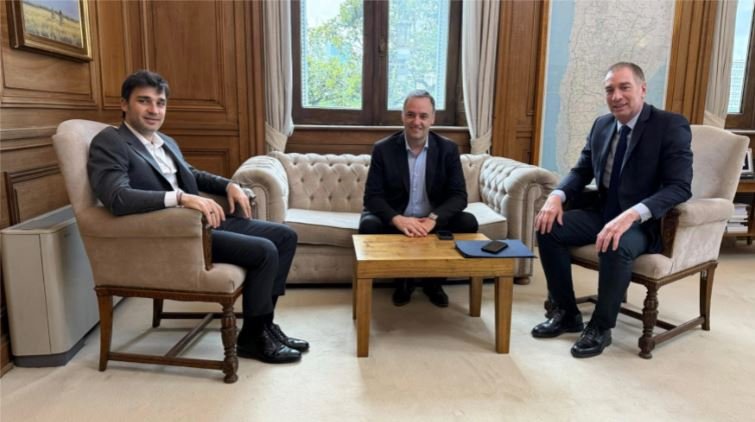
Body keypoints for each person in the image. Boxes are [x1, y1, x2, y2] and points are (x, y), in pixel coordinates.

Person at [88, 70, 308, 364]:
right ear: (124, 104)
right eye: (144, 101)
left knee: (285, 236)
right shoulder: (110, 142)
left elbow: (192, 174)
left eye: (160, 103)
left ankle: (263, 325)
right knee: (265, 251)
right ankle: (253, 339)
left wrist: (230, 185)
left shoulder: (164, 141)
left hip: (201, 225)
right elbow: (116, 197)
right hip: (173, 236)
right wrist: (180, 198)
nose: (154, 110)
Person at [532, 62, 693, 358]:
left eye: (624, 87)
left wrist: (633, 214)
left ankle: (601, 327)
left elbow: (680, 187)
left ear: (642, 89)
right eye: (609, 90)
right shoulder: (602, 125)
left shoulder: (669, 125)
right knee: (547, 227)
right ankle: (566, 314)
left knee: (614, 243)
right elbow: (581, 170)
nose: (616, 96)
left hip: (642, 223)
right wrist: (556, 196)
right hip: (603, 211)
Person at [359, 90, 479, 307]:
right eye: (411, 115)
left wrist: (433, 219)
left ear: (433, 118)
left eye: (423, 116)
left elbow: (459, 196)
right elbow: (372, 197)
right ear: (402, 116)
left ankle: (434, 282)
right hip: (398, 218)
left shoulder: (448, 149)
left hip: (431, 219)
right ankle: (402, 282)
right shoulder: (383, 149)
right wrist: (398, 219)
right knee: (369, 224)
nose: (417, 122)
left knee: (468, 222)